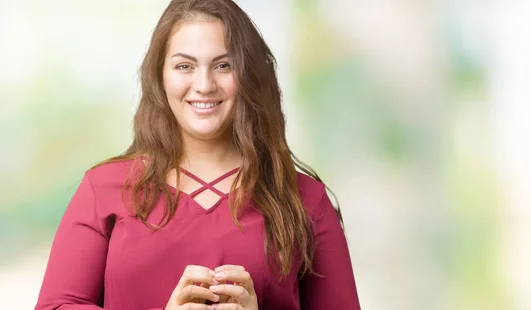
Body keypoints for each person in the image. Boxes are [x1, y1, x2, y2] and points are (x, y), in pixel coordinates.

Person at [34, 0, 360, 309]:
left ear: (248, 74)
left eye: (222, 65)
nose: (204, 85)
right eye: (184, 66)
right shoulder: (102, 189)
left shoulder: (306, 201)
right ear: (160, 76)